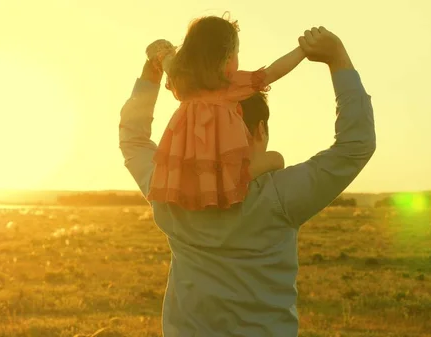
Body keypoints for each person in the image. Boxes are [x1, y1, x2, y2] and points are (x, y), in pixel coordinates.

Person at [118, 26, 376, 337]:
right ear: (261, 130)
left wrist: (152, 72)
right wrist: (337, 58)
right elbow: (356, 145)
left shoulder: (168, 188)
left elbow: (133, 138)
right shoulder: (280, 197)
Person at [145, 15, 306, 211]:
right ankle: (224, 192)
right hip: (228, 170)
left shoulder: (182, 81)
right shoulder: (229, 85)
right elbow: (273, 72)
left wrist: (161, 52)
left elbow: (166, 60)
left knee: (192, 176)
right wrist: (302, 50)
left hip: (187, 168)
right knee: (276, 158)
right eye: (237, 53)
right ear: (227, 57)